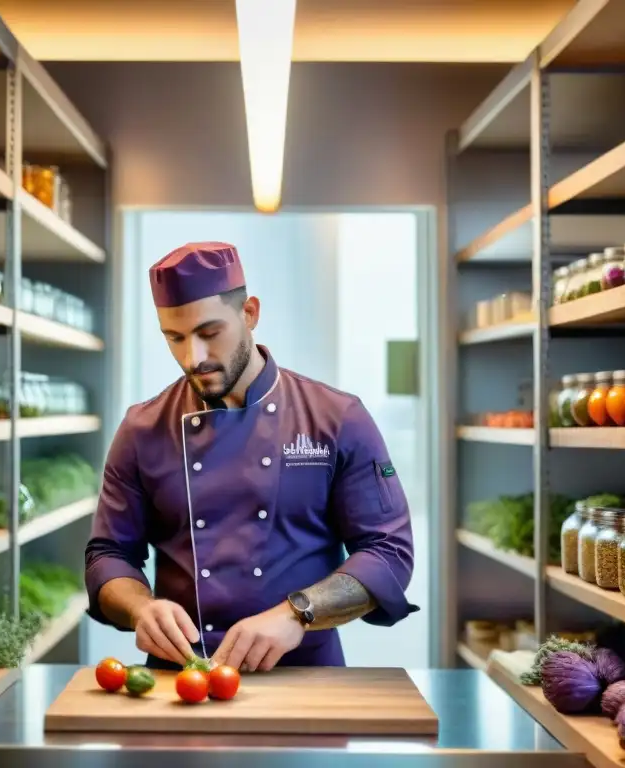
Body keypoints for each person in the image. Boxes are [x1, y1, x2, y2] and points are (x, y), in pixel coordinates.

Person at [85, 241, 417, 672]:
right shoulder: (142, 429)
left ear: (250, 313)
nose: (193, 358)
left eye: (209, 333)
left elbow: (388, 551)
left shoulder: (337, 418)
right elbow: (108, 554)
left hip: (306, 677)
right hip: (182, 679)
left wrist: (299, 612)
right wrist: (140, 608)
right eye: (175, 338)